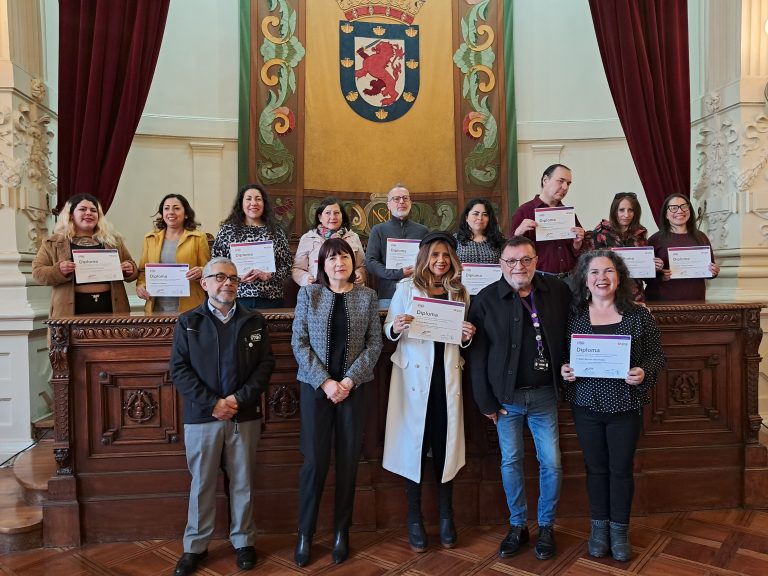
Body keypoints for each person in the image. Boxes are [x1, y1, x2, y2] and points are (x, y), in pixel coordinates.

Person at [170, 257, 275, 576]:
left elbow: (265, 366)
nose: (228, 283)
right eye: (219, 277)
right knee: (202, 483)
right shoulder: (188, 322)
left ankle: (244, 541)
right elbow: (179, 369)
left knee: (242, 481)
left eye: (233, 278)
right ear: (204, 283)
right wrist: (213, 404)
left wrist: (237, 400)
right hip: (202, 417)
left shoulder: (254, 320)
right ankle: (195, 547)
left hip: (244, 415)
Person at [468, 236, 571, 561]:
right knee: (511, 462)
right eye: (511, 261)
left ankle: (546, 526)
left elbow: (580, 322)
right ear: (501, 264)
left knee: (551, 462)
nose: (519, 267)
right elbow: (477, 356)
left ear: (536, 260)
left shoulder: (558, 291)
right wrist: (485, 402)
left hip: (545, 396)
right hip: (505, 401)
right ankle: (517, 525)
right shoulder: (485, 299)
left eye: (525, 260)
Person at [561, 250, 665, 561]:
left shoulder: (638, 315)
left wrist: (643, 371)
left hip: (625, 407)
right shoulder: (573, 316)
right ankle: (599, 529)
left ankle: (619, 530)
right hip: (586, 406)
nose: (601, 278)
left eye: (608, 271)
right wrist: (565, 370)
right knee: (595, 469)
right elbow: (562, 356)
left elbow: (657, 356)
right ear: (585, 279)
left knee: (621, 470)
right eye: (594, 272)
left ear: (619, 277)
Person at [291, 238, 383, 567]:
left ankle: (342, 532)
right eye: (331, 258)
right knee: (314, 463)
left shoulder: (367, 297)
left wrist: (348, 381)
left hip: (352, 391)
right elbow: (299, 342)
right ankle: (305, 533)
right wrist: (326, 382)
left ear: (352, 262)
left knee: (347, 463)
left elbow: (374, 344)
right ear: (322, 264)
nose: (338, 263)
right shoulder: (309, 294)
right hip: (316, 389)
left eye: (343, 256)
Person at [382, 232, 475, 552]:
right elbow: (389, 328)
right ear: (424, 258)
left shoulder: (459, 292)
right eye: (435, 255)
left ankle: (446, 516)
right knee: (415, 448)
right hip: (413, 381)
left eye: (446, 255)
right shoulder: (406, 288)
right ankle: (414, 518)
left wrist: (467, 336)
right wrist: (396, 327)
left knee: (444, 445)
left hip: (445, 379)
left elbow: (462, 337)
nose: (441, 261)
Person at [32, 193, 138, 316]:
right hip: (68, 312)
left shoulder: (113, 241)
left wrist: (129, 269)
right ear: (71, 215)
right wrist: (59, 270)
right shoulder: (53, 242)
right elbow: (37, 273)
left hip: (113, 308)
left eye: (93, 210)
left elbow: (133, 269)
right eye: (82, 209)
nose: (89, 213)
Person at [212, 183, 291, 308]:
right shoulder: (227, 231)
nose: (253, 203)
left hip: (271, 297)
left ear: (264, 204)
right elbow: (216, 264)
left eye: (258, 199)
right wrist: (235, 277)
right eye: (248, 199)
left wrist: (270, 275)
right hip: (235, 296)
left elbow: (287, 266)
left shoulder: (276, 231)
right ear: (241, 203)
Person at [136, 193, 210, 313]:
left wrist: (201, 271)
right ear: (162, 214)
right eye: (166, 208)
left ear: (186, 214)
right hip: (156, 308)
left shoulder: (198, 238)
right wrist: (140, 286)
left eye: (176, 208)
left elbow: (208, 269)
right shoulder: (150, 238)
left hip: (191, 307)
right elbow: (143, 271)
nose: (171, 212)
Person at [508, 164, 586, 277]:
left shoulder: (568, 213)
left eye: (568, 183)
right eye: (561, 181)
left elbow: (579, 252)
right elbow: (510, 253)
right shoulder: (524, 211)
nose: (565, 187)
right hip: (539, 278)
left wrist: (577, 244)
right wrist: (517, 234)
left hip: (569, 278)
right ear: (545, 180)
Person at [645, 193, 720, 301]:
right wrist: (660, 275)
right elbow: (644, 276)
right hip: (661, 302)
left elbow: (709, 272)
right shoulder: (655, 240)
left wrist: (714, 271)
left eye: (684, 206)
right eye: (673, 208)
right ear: (666, 214)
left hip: (695, 301)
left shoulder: (701, 237)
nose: (680, 211)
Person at [365, 183, 429, 305]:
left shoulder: (422, 231)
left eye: (405, 198)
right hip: (388, 295)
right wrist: (398, 273)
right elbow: (370, 262)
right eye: (396, 198)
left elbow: (428, 260)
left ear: (410, 203)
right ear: (388, 205)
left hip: (418, 292)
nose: (401, 202)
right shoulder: (378, 230)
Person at [591, 192, 656, 301]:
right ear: (614, 211)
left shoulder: (640, 233)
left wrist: (654, 266)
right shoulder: (600, 232)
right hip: (607, 294)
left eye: (631, 210)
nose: (626, 215)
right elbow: (592, 267)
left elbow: (645, 273)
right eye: (621, 210)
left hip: (635, 296)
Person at [292, 197, 366, 287]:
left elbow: (361, 266)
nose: (333, 217)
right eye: (328, 213)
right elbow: (297, 268)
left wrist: (360, 274)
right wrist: (306, 279)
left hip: (348, 289)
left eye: (336, 213)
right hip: (317, 289)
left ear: (342, 216)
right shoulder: (308, 238)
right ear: (320, 217)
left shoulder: (353, 237)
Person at [455, 197, 505, 264]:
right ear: (466, 217)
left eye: (485, 215)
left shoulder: (498, 240)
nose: (480, 218)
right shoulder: (455, 239)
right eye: (476, 214)